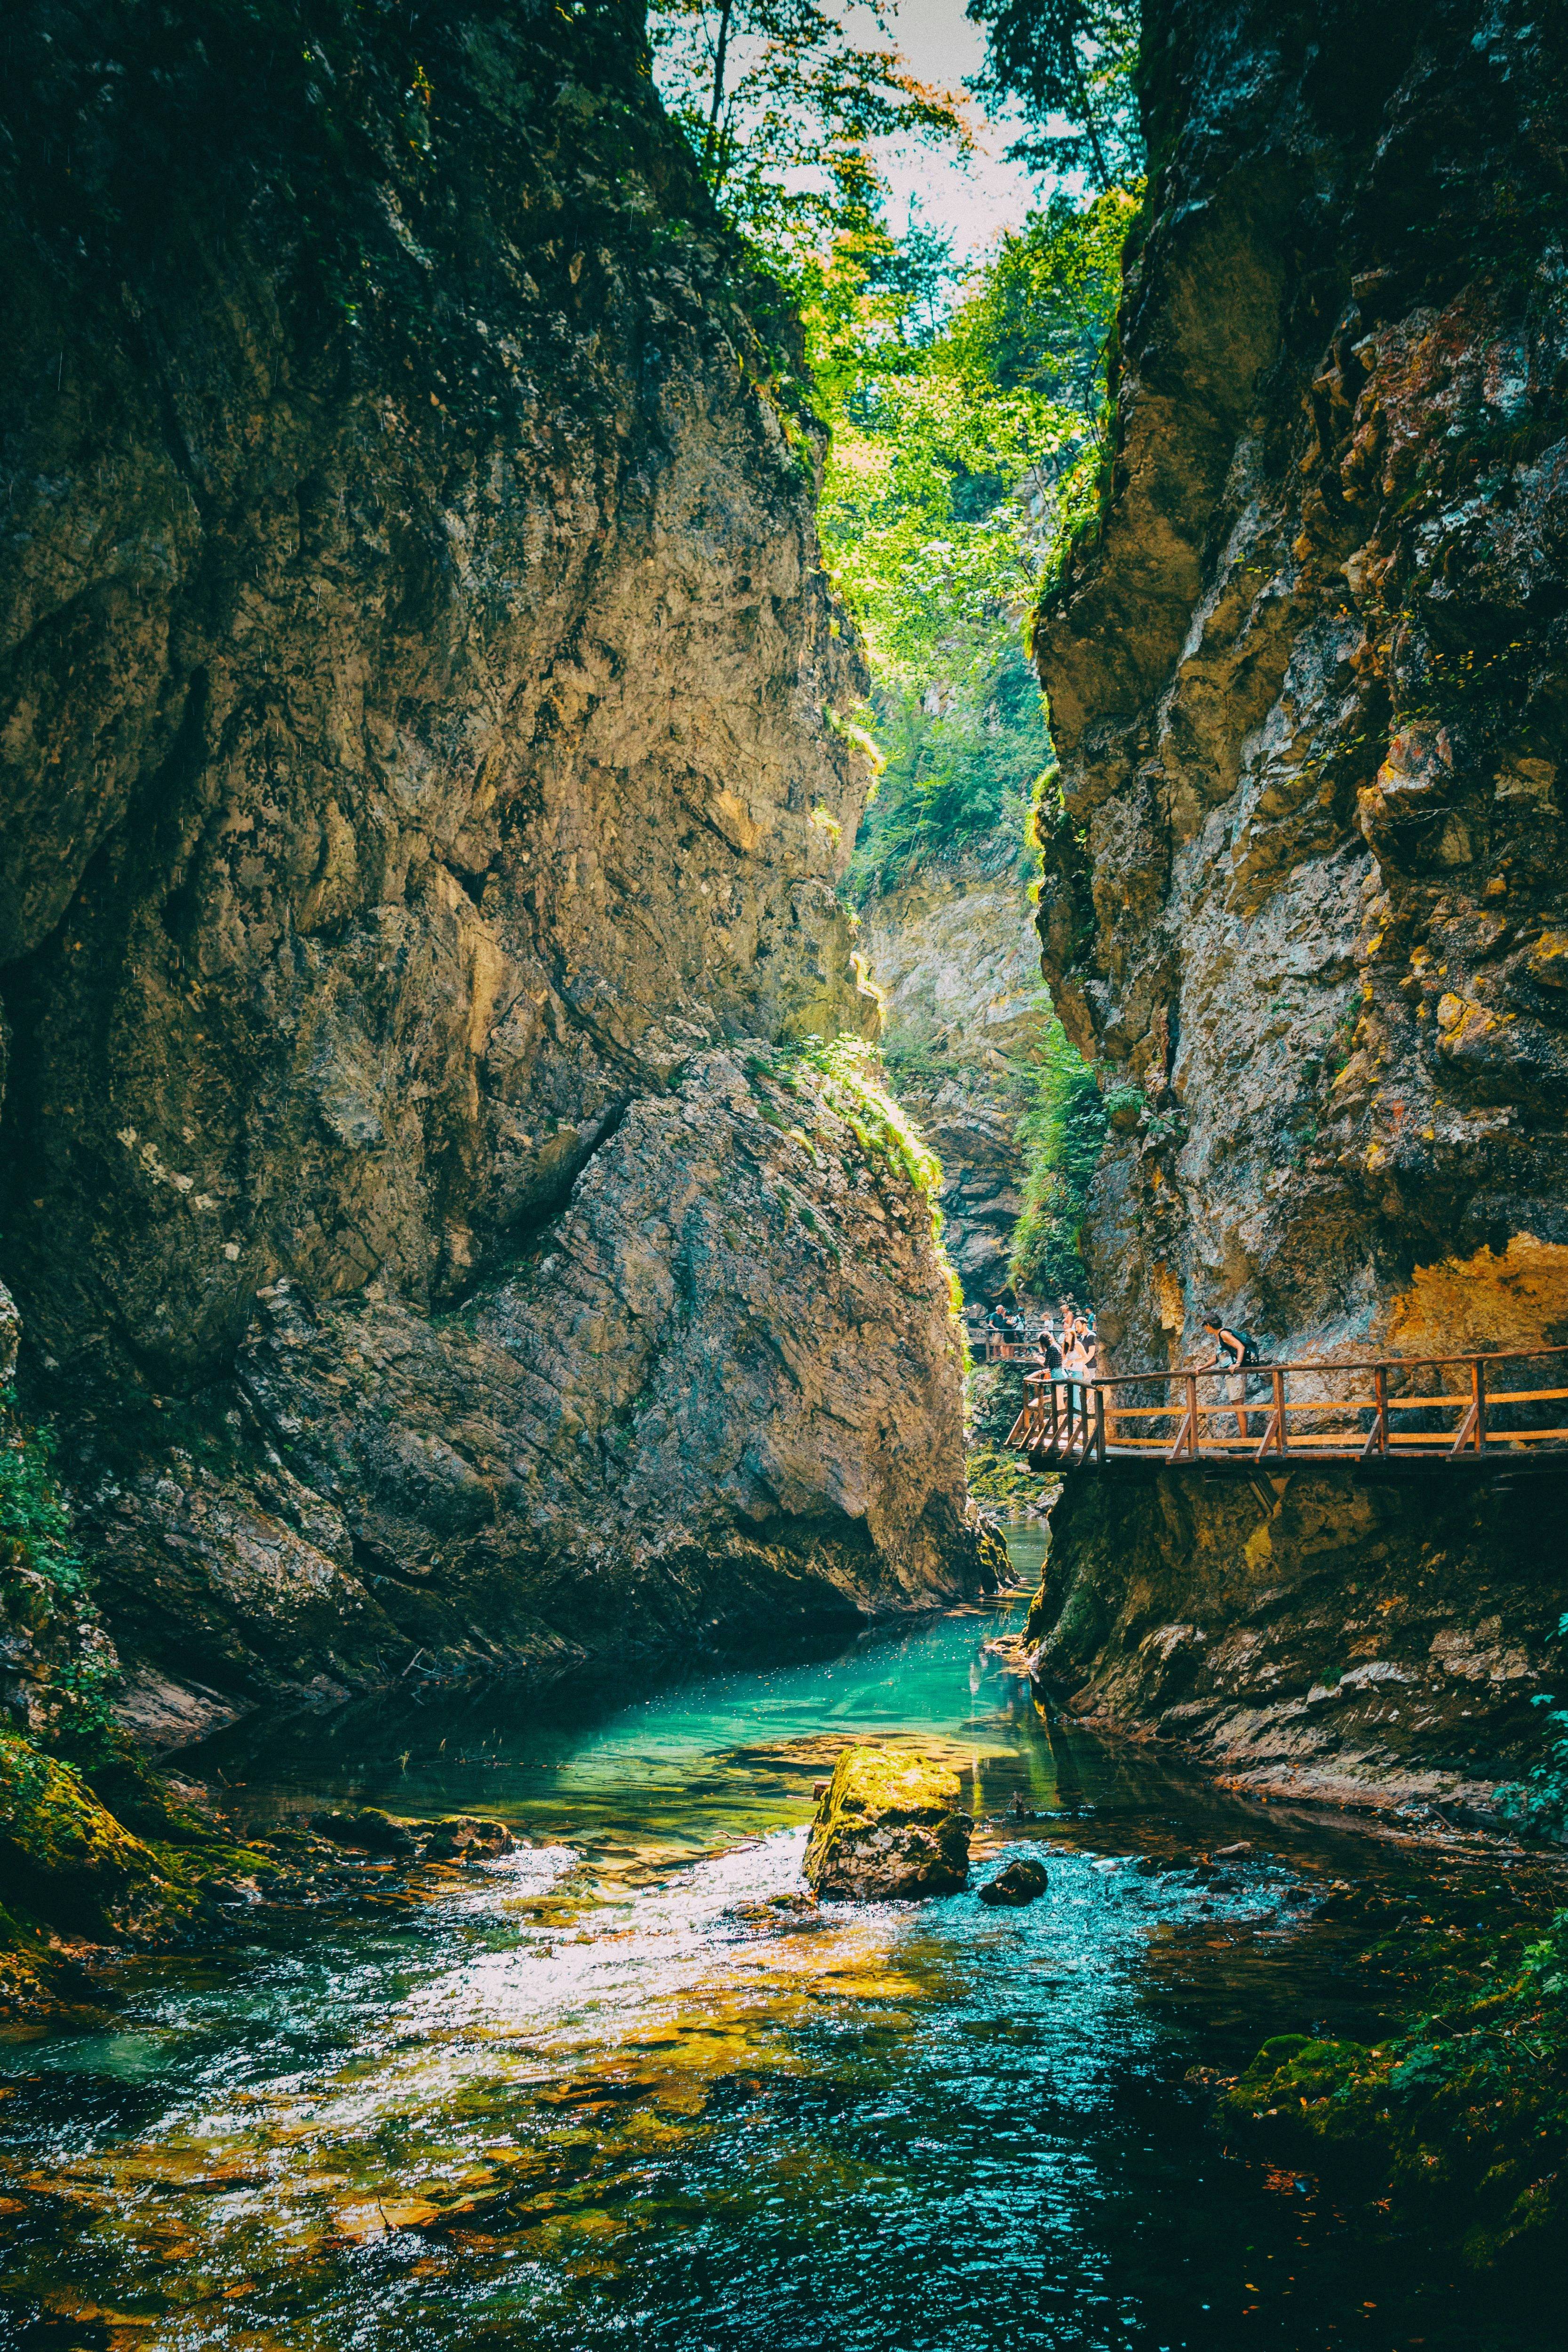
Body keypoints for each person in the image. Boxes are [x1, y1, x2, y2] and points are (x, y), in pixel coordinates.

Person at [1199, 1310, 1261, 1441]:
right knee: (1237, 1407)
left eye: (1204, 1326)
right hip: (1232, 1376)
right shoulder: (1219, 1335)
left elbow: (1240, 1347)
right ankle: (1244, 1441)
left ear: (1209, 1324)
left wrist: (1237, 1364)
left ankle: (1244, 1442)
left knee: (1239, 1407)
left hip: (1236, 1375)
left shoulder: (1223, 1334)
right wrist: (1203, 1367)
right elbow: (1217, 1357)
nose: (1205, 1329)